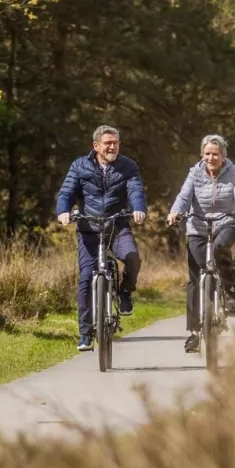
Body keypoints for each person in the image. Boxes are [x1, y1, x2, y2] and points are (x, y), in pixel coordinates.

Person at [55, 125, 147, 352]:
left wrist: (138, 208)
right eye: (108, 143)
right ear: (96, 146)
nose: (113, 146)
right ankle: (85, 334)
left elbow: (136, 190)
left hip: (117, 226)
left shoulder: (128, 166)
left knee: (132, 258)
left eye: (115, 142)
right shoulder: (79, 166)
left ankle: (124, 291)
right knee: (86, 278)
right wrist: (63, 211)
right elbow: (67, 192)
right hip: (89, 230)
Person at [167, 134, 235, 354]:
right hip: (198, 225)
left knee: (218, 249)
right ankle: (195, 333)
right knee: (195, 277)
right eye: (207, 154)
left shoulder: (234, 172)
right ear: (201, 155)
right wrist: (175, 212)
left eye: (215, 154)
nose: (211, 158)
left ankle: (233, 293)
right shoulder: (194, 173)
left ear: (223, 156)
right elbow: (184, 196)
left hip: (227, 222)